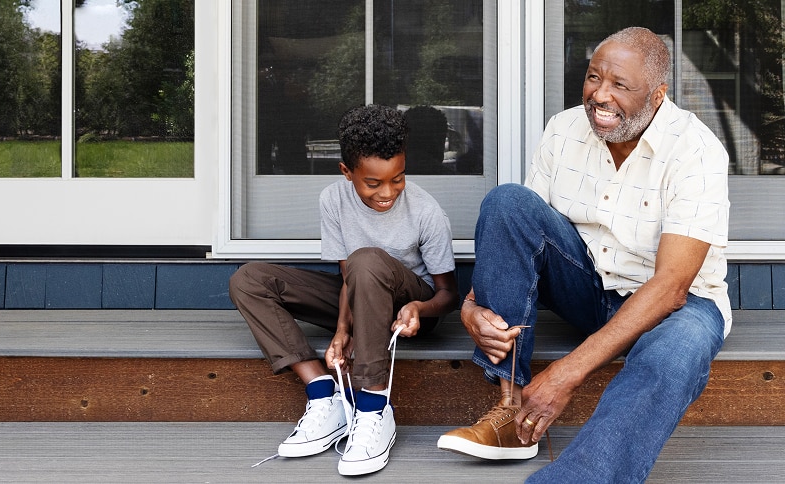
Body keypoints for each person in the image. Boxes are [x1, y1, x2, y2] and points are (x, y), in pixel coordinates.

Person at [437, 27, 730, 483]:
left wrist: (565, 373)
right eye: (594, 78)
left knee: (678, 352)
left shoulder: (696, 151)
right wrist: (471, 306)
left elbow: (672, 287)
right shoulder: (563, 129)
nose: (600, 96)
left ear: (657, 95)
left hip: (676, 305)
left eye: (620, 86)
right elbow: (516, 234)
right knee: (507, 201)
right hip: (589, 286)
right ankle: (510, 412)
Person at [229, 104, 458, 476]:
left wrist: (419, 307)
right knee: (249, 279)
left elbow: (448, 294)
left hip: (409, 313)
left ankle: (373, 406)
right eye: (373, 183)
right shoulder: (333, 200)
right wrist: (342, 331)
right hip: (356, 297)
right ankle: (323, 394)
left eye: (397, 178)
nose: (388, 192)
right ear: (347, 172)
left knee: (366, 259)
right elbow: (347, 277)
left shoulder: (426, 211)